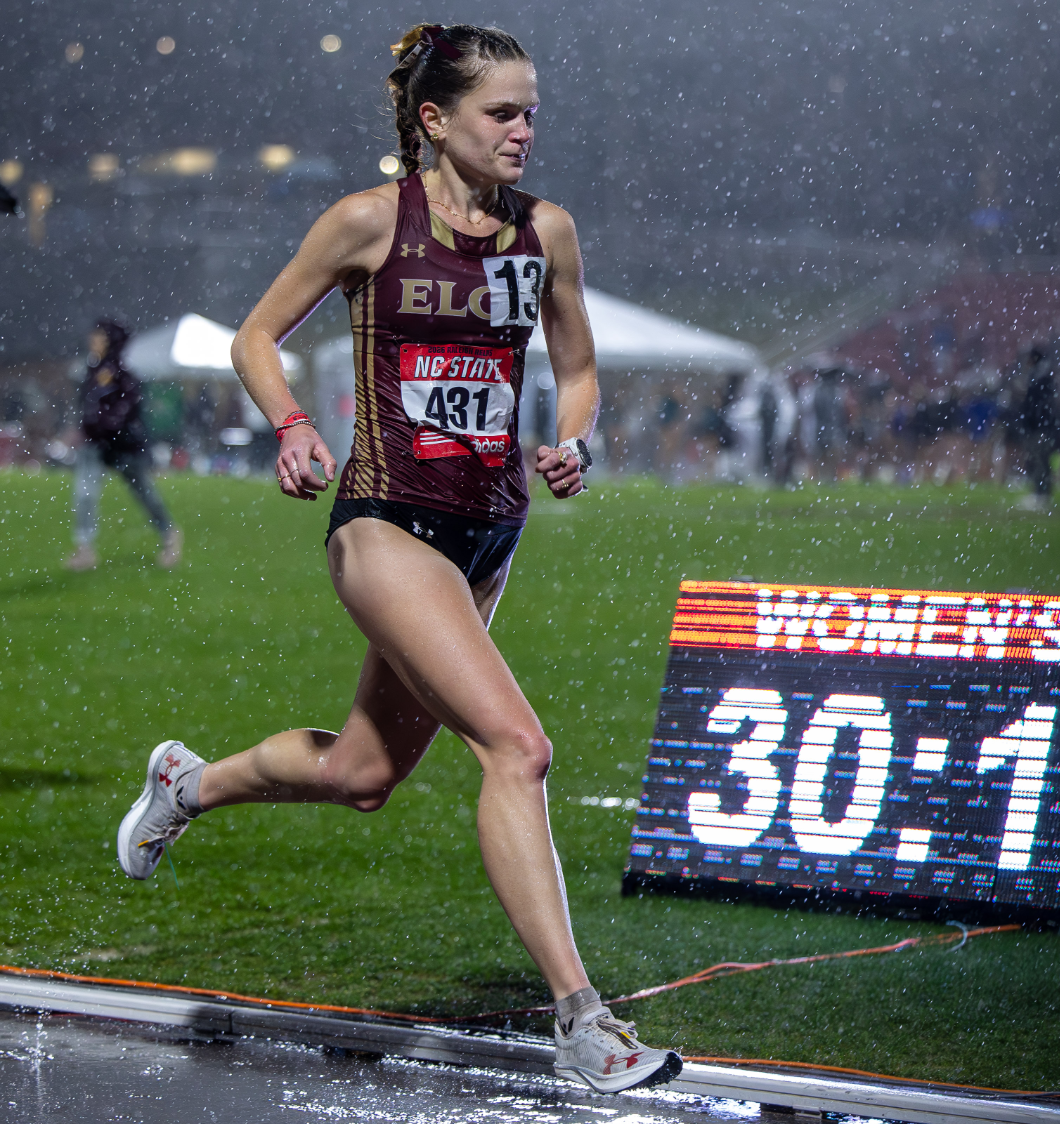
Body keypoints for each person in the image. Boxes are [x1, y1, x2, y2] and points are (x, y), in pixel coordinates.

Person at [110, 23, 680, 1095]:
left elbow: (578, 365)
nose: (522, 129)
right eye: (500, 111)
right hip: (384, 521)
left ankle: (188, 782)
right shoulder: (370, 223)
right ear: (433, 119)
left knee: (360, 773)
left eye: (529, 110)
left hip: (487, 531)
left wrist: (576, 437)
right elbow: (252, 335)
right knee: (517, 746)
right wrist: (288, 425)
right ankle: (581, 1018)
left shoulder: (545, 231)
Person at [65, 318, 181, 571]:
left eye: (99, 336)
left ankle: (169, 535)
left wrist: (105, 425)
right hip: (96, 445)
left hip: (123, 446)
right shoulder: (91, 371)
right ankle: (84, 549)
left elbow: (126, 410)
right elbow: (87, 407)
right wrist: (87, 428)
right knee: (85, 494)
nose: (92, 341)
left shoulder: (124, 374)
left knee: (144, 493)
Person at [1012, 346, 1060, 510]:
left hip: (1037, 426)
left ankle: (1040, 495)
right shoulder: (1045, 375)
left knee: (1038, 460)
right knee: (1041, 460)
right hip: (1043, 426)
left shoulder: (1038, 377)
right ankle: (1043, 494)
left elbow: (1034, 403)